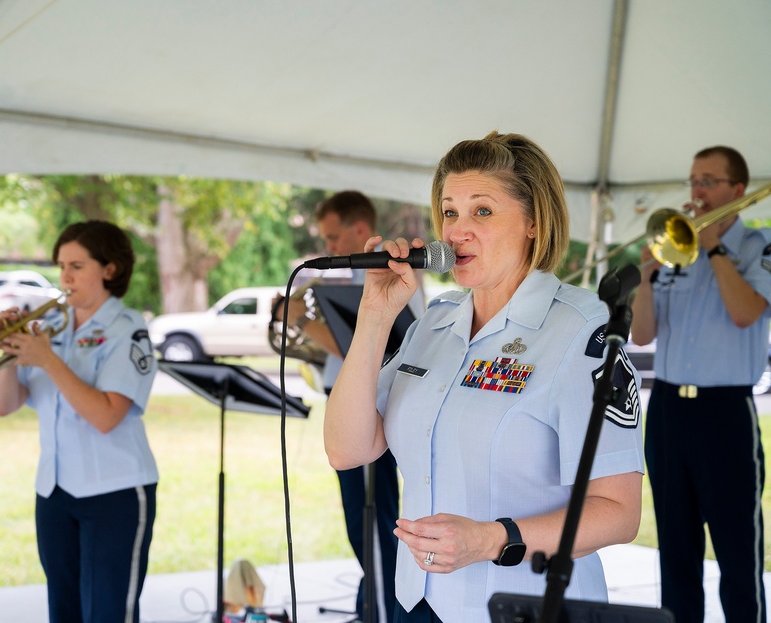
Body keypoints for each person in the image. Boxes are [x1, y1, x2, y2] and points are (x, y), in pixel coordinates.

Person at [324, 131, 645, 621]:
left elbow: (619, 513)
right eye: (449, 212)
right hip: (419, 602)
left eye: (483, 211)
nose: (456, 231)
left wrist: (493, 538)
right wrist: (374, 315)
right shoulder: (436, 319)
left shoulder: (584, 330)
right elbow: (347, 449)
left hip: (526, 606)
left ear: (534, 222)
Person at [0, 220, 158, 623]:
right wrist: (9, 357)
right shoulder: (53, 326)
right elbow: (3, 405)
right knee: (63, 612)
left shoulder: (128, 329)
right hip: (54, 490)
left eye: (77, 266)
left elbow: (106, 415)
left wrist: (48, 359)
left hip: (113, 491)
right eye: (61, 265)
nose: (64, 276)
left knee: (107, 613)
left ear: (110, 270)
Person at [630, 146, 770, 623]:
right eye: (693, 181)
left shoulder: (759, 245)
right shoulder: (677, 248)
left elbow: (745, 312)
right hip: (668, 410)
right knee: (675, 548)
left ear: (737, 191)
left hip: (725, 413)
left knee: (737, 554)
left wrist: (713, 247)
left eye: (709, 181)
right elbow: (642, 334)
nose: (698, 191)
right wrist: (647, 277)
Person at [274, 190, 405, 623]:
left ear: (360, 230)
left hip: (372, 414)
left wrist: (303, 321)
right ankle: (374, 600)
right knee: (360, 523)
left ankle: (384, 607)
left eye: (334, 237)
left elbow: (363, 350)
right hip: (346, 411)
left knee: (372, 522)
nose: (328, 247)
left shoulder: (388, 277)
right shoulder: (348, 283)